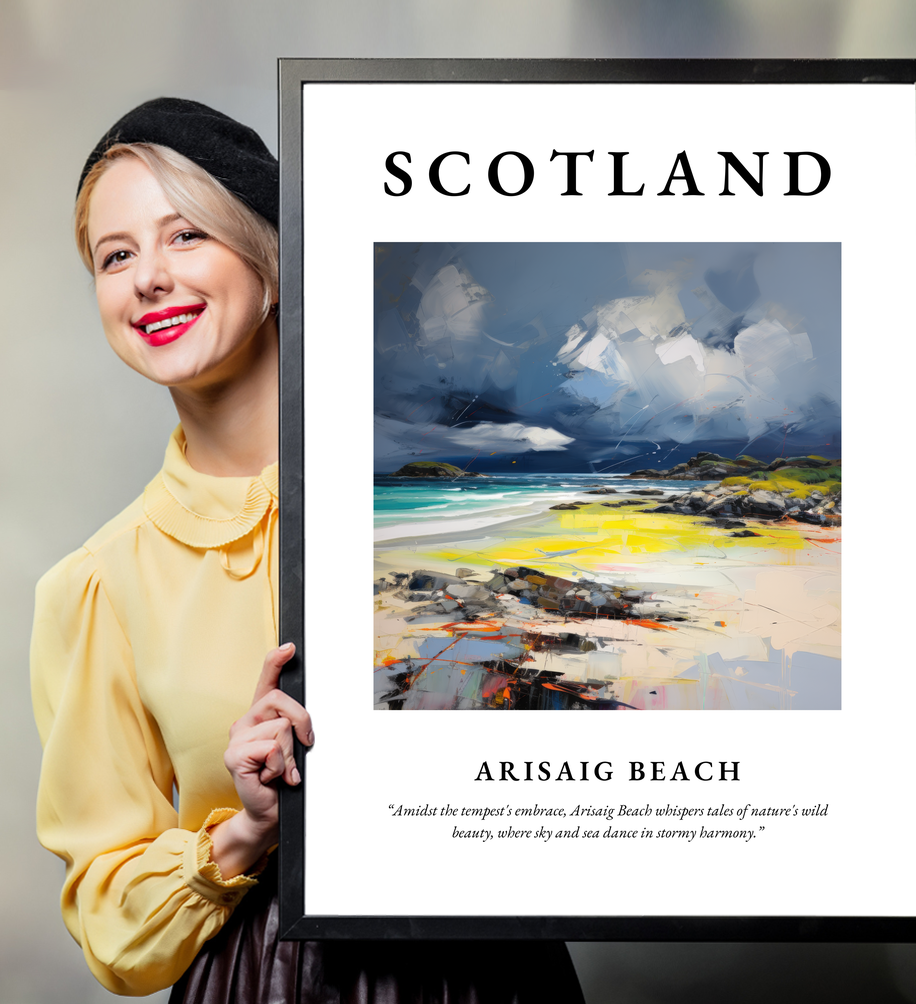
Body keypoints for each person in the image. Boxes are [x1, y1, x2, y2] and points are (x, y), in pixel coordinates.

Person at [30, 98, 585, 1002]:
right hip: (263, 979)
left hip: (493, 971)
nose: (148, 279)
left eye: (186, 237)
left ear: (274, 262)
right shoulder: (97, 584)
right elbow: (110, 922)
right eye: (116, 255)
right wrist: (245, 830)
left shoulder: (451, 502)